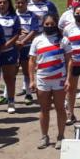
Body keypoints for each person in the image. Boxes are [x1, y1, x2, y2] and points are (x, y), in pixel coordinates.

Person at [29, 14, 69, 149]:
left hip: (59, 80)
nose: (49, 26)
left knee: (60, 109)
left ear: (56, 24)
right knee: (44, 109)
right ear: (43, 25)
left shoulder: (63, 40)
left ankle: (61, 136)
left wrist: (68, 78)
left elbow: (70, 60)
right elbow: (32, 61)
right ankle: (44, 136)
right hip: (42, 80)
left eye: (52, 24)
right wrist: (31, 80)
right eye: (47, 24)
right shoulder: (37, 40)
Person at [0, 0, 21, 114]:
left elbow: (16, 34)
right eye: (0, 2)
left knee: (9, 78)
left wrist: (6, 45)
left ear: (9, 4)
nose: (2, 5)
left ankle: (11, 102)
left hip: (9, 51)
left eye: (5, 2)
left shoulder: (14, 17)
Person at [15, 0, 40, 105]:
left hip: (26, 47)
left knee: (26, 70)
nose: (20, 5)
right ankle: (6, 95)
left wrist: (23, 41)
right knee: (11, 72)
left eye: (22, 3)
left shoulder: (32, 15)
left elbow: (34, 30)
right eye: (18, 3)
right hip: (13, 47)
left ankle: (28, 93)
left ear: (26, 4)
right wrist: (16, 40)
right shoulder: (12, 15)